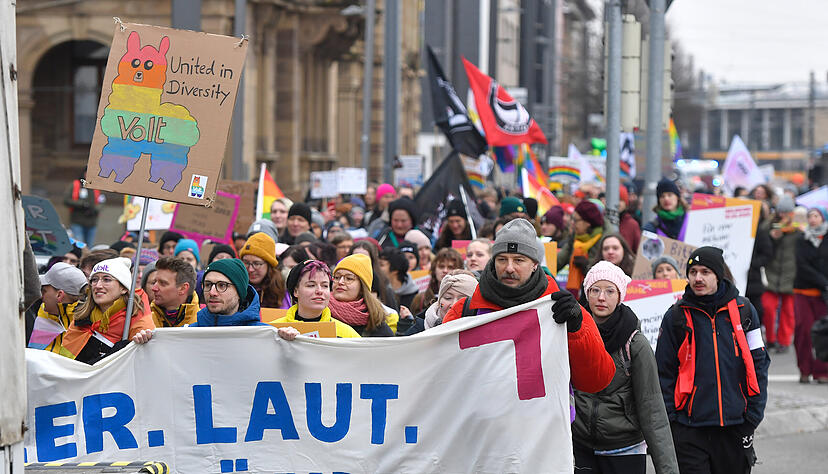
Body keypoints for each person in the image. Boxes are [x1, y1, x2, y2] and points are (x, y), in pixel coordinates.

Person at [442, 218, 616, 394]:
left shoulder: (561, 309)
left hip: (541, 420)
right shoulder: (466, 311)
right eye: (502, 259)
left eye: (518, 260)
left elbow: (597, 380)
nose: (509, 268)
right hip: (480, 419)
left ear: (534, 264)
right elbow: (440, 372)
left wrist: (576, 331)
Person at [655, 247, 769, 474]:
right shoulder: (675, 316)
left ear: (718, 274)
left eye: (705, 272)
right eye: (693, 271)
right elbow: (663, 372)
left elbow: (760, 364)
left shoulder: (745, 311)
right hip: (689, 430)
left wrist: (752, 417)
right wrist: (673, 422)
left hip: (735, 427)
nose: (698, 278)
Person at [573, 261, 678, 474]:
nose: (601, 297)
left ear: (620, 295)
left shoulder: (635, 343)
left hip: (625, 449)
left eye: (610, 291)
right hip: (580, 447)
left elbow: (653, 409)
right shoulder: (573, 333)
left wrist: (668, 470)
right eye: (595, 290)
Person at [62, 257, 155, 363]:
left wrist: (141, 343)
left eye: (106, 280)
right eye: (94, 280)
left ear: (123, 288)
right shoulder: (81, 316)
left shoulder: (138, 319)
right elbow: (64, 363)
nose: (98, 285)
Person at [269, 259, 361, 338]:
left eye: (325, 285)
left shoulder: (347, 334)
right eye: (311, 285)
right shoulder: (273, 330)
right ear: (296, 291)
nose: (319, 291)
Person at [793, 206, 828, 383]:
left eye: (816, 216)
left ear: (823, 218)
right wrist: (822, 281)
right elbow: (802, 264)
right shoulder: (801, 239)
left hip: (823, 295)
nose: (813, 219)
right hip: (803, 291)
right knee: (804, 331)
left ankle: (822, 371)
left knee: (823, 332)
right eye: (810, 216)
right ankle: (805, 369)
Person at [762, 195, 800, 353]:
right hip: (771, 274)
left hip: (791, 276)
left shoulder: (798, 230)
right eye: (781, 213)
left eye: (787, 213)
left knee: (788, 312)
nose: (784, 216)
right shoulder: (769, 226)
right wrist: (773, 237)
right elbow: (763, 245)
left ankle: (784, 341)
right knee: (768, 308)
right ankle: (770, 339)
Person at [329, 254, 395, 337]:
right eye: (337, 277)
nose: (340, 282)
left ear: (362, 288)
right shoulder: (320, 310)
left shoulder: (376, 322)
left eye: (349, 278)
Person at [28, 263, 88, 355]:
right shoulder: (45, 311)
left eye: (44, 291)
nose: (41, 296)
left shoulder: (88, 322)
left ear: (59, 295)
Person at [404, 269, 478, 335]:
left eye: (462, 299)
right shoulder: (417, 332)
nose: (453, 304)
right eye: (448, 298)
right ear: (439, 301)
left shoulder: (483, 330)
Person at [239, 232, 291, 309]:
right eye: (246, 262)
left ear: (269, 265)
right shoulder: (236, 287)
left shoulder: (282, 289)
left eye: (257, 263)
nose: (250, 269)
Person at [564, 200, 605, 294]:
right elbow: (559, 260)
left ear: (588, 222)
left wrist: (587, 266)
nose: (572, 223)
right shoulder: (575, 236)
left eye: (576, 220)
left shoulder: (605, 240)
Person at [409, 248, 464, 315]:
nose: (445, 270)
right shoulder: (420, 299)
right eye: (441, 266)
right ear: (434, 269)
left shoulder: (465, 298)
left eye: (450, 267)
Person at [149, 256, 199, 328]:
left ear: (183, 288)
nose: (154, 288)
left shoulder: (204, 323)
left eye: (163, 283)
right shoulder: (145, 320)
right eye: (154, 282)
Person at [64, 173, 105, 245]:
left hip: (92, 222)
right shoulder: (76, 185)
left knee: (89, 246)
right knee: (79, 245)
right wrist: (82, 204)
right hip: (77, 221)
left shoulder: (97, 186)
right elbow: (67, 200)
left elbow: (102, 201)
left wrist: (95, 209)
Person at [618, 184, 642, 253]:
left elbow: (637, 251)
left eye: (620, 200)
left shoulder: (632, 224)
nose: (617, 203)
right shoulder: (602, 222)